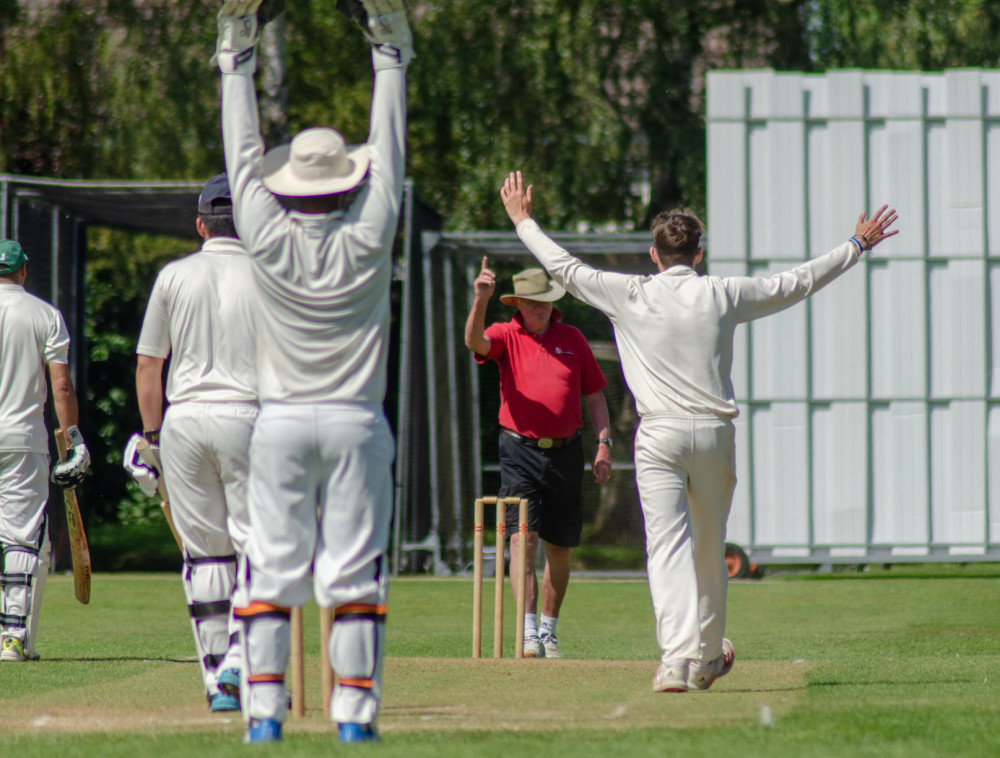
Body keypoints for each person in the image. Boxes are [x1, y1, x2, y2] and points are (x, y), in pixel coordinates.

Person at [500, 170, 898, 692]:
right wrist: (854, 246)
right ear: (699, 254)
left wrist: (522, 220)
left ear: (654, 254)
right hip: (714, 433)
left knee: (665, 548)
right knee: (709, 548)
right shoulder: (722, 293)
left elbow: (564, 268)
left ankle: (678, 662)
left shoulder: (631, 294)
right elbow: (796, 283)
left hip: (659, 435)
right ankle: (706, 656)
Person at [213, 0, 412, 743]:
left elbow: (241, 154)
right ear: (345, 183)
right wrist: (388, 56)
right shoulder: (371, 229)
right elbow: (387, 151)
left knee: (270, 571)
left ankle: (264, 715)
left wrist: (236, 58)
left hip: (282, 421)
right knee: (354, 577)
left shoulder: (263, 231)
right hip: (358, 419)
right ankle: (353, 719)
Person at [123, 174, 257, 712]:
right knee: (258, 549)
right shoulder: (269, 274)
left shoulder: (173, 275)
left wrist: (153, 438)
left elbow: (148, 365)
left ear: (200, 224)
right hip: (249, 416)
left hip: (182, 421)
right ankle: (240, 665)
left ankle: (214, 678)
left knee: (205, 558)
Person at [465, 260, 612, 658]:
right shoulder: (505, 335)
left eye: (544, 301)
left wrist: (603, 444)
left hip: (567, 452)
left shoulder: (573, 338)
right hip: (519, 450)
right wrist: (480, 301)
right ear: (517, 304)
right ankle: (527, 632)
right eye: (532, 303)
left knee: (560, 546)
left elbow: (595, 394)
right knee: (522, 540)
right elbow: (475, 343)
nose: (540, 308)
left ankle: (548, 631)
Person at [0, 239, 90, 662]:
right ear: (24, 271)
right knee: (19, 537)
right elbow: (61, 387)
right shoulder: (44, 314)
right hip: (22, 439)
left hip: (20, 439)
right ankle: (12, 638)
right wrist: (72, 439)